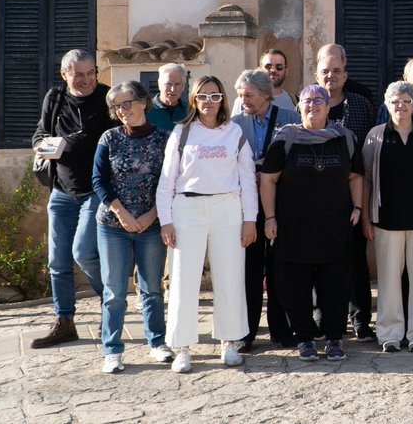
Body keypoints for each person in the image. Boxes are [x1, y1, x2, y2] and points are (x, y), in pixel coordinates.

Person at [156, 75, 257, 373]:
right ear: (194, 100)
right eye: (203, 96)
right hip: (187, 208)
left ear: (223, 99)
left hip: (227, 207)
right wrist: (166, 221)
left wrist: (249, 219)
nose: (209, 103)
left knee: (229, 277)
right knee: (184, 280)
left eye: (215, 96)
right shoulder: (182, 132)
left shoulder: (234, 132)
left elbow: (248, 179)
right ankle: (182, 348)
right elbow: (167, 181)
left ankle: (229, 342)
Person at [260, 85, 364, 363]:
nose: (313, 105)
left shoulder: (345, 138)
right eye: (307, 100)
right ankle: (305, 338)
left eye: (319, 100)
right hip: (293, 227)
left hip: (335, 226)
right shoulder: (285, 139)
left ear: (329, 107)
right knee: (295, 285)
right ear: (299, 107)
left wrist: (357, 207)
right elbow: (268, 179)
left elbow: (355, 176)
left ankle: (333, 338)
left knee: (336, 285)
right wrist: (270, 217)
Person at [30, 49, 109, 349]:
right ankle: (65, 322)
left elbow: (111, 138)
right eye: (79, 74)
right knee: (57, 262)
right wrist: (47, 146)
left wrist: (71, 143)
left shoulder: (106, 98)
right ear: (65, 75)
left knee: (84, 253)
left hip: (95, 192)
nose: (87, 80)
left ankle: (110, 306)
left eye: (91, 73)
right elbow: (39, 135)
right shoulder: (55, 98)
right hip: (61, 192)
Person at [92, 81, 173, 373]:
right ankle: (112, 350)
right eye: (117, 106)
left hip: (151, 225)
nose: (122, 110)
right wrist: (122, 214)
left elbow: (170, 182)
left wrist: (152, 215)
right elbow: (99, 181)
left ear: (143, 102)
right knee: (114, 291)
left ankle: (157, 344)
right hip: (113, 224)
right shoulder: (109, 138)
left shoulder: (164, 139)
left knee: (152, 289)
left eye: (127, 103)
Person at [363, 81, 413, 353]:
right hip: (386, 218)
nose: (401, 106)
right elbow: (367, 179)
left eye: (407, 100)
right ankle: (390, 334)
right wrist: (365, 219)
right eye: (395, 101)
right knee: (389, 278)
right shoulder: (375, 135)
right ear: (387, 104)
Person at [232, 69, 298, 350]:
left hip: (281, 200)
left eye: (248, 94)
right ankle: (245, 332)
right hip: (246, 204)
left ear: (266, 95)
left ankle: (281, 330)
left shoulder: (291, 121)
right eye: (240, 94)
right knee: (248, 268)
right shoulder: (234, 124)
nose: (243, 99)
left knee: (280, 266)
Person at [315, 44, 376, 341]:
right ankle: (322, 316)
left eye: (336, 71)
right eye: (325, 72)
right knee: (318, 260)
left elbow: (368, 158)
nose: (331, 76)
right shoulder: (309, 102)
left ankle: (361, 318)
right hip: (317, 199)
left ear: (345, 72)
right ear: (316, 74)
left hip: (353, 196)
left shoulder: (362, 105)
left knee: (356, 261)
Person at [230, 50, 298, 115]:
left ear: (286, 71)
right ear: (259, 70)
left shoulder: (297, 102)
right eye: (268, 66)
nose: (273, 70)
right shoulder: (243, 101)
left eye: (279, 67)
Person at [149, 63, 189, 131]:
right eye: (168, 84)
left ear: (183, 86)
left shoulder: (190, 112)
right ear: (159, 85)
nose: (173, 89)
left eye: (177, 84)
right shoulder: (145, 109)